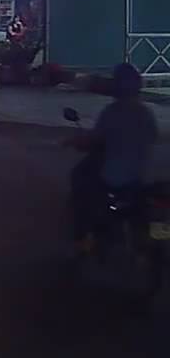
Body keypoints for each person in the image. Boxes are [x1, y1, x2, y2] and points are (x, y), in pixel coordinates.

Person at [69, 63, 160, 255]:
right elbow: (152, 138)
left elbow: (95, 139)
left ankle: (82, 240)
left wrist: (75, 141)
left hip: (115, 179)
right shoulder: (146, 114)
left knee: (81, 184)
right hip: (142, 179)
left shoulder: (112, 112)